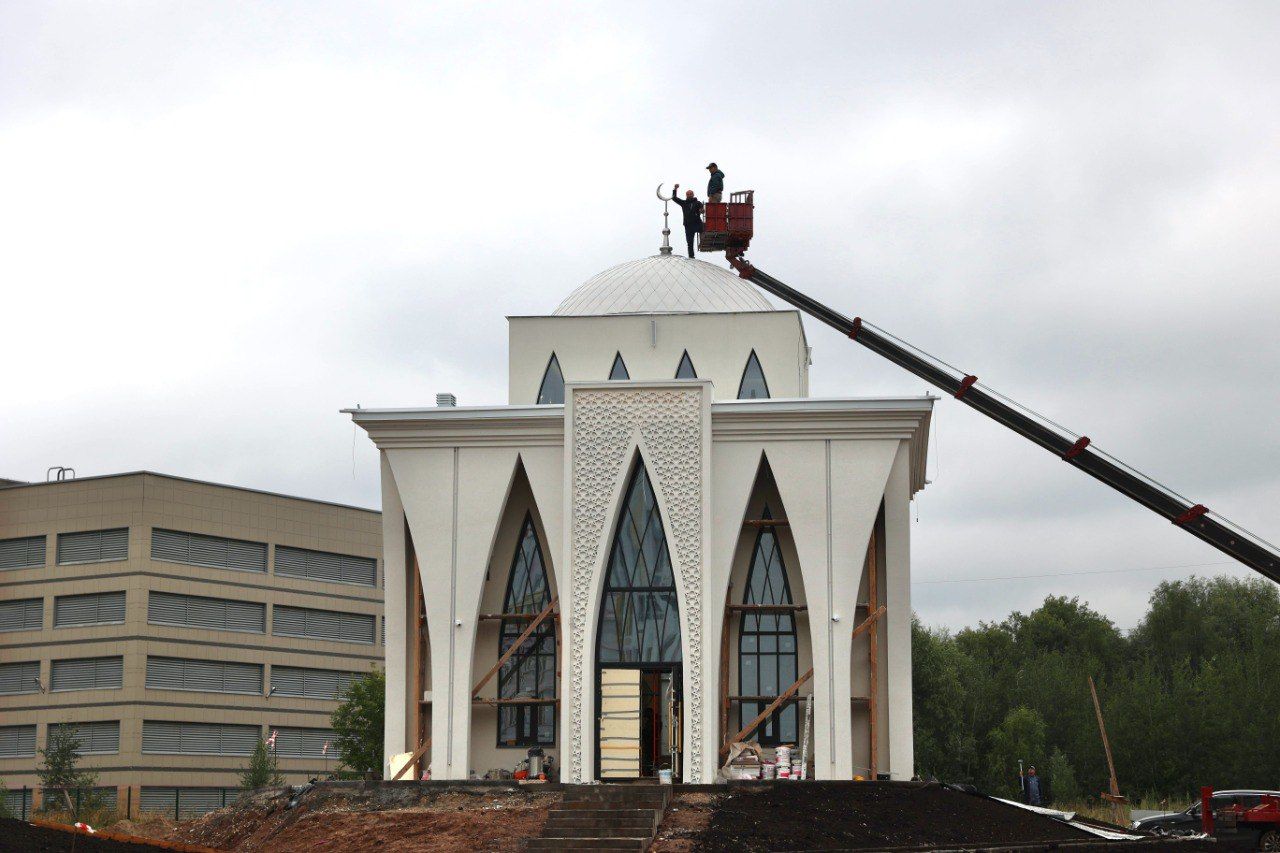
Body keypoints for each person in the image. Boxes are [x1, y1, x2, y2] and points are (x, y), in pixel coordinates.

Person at [670, 184, 704, 258]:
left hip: (697, 223)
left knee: (703, 229)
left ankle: (702, 242)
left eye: (690, 194)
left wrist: (701, 210)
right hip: (688, 225)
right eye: (688, 194)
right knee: (689, 243)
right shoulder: (684, 203)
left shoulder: (697, 203)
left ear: (693, 194)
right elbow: (674, 198)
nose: (689, 195)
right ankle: (691, 257)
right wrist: (675, 189)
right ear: (686, 195)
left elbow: (702, 209)